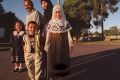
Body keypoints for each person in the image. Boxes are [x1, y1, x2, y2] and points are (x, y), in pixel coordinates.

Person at [44, 4, 74, 79]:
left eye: (59, 12)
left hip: (63, 45)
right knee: (52, 62)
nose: (58, 14)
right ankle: (52, 77)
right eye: (56, 12)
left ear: (62, 12)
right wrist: (47, 45)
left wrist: (71, 44)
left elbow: (69, 35)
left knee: (62, 61)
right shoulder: (50, 23)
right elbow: (48, 35)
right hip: (52, 45)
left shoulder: (66, 23)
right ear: (53, 13)